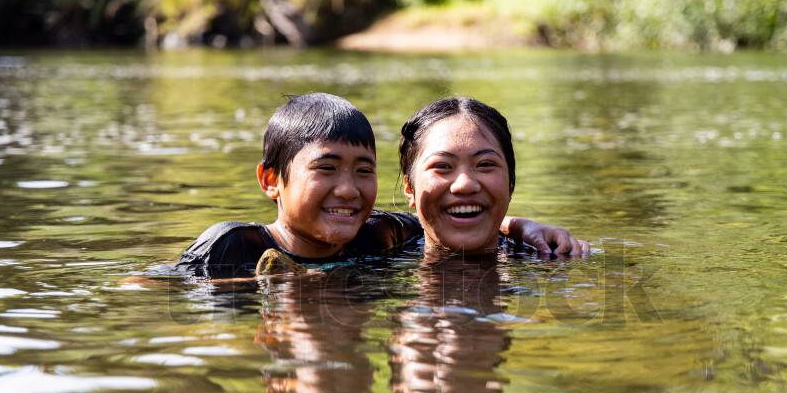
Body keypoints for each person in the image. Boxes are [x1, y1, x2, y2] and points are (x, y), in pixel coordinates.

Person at [175, 92, 586, 279]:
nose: (349, 190)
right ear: (271, 180)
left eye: (364, 171)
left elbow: (433, 221)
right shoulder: (231, 246)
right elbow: (154, 288)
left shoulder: (377, 234)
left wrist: (517, 226)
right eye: (327, 169)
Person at [399, 96, 591, 256]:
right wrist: (515, 226)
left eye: (485, 165)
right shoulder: (375, 243)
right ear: (409, 189)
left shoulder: (558, 256)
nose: (465, 184)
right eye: (442, 166)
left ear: (511, 185)